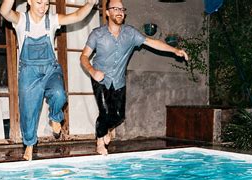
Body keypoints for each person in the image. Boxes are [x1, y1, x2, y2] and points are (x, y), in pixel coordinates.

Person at [80, 0, 189, 156]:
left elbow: (152, 42)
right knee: (104, 113)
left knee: (118, 116)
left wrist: (175, 50)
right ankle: (99, 139)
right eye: (115, 9)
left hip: (118, 80)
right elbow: (83, 56)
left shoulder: (130, 34)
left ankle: (105, 129)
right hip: (100, 78)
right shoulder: (97, 34)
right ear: (108, 12)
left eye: (122, 9)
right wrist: (92, 70)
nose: (119, 12)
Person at [0, 0, 98, 161]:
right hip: (28, 72)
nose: (43, 8)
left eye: (46, 4)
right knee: (28, 111)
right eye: (39, 2)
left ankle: (55, 117)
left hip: (50, 69)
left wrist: (89, 4)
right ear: (30, 1)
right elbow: (4, 12)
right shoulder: (21, 20)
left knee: (59, 94)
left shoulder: (51, 20)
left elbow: (77, 16)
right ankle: (30, 144)